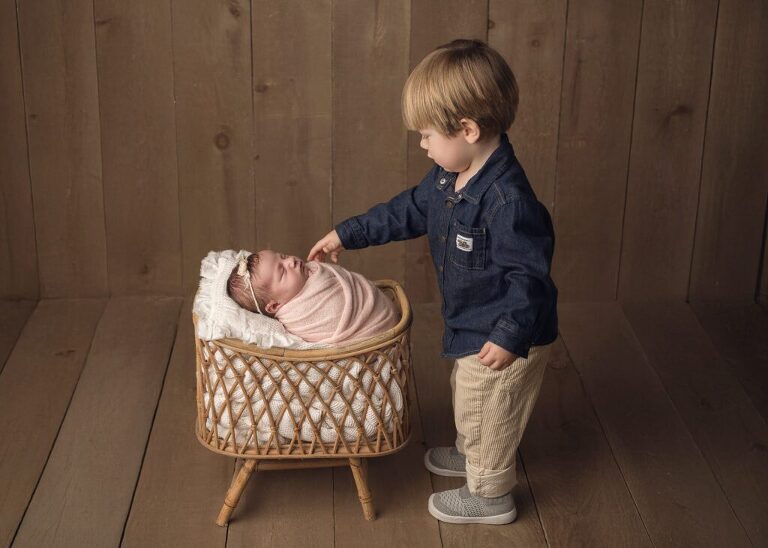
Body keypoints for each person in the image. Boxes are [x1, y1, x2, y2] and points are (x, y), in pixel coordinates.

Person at [308, 39, 558, 525]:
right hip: (472, 322)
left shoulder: (508, 202)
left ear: (467, 130)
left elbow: (530, 277)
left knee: (492, 409)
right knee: (470, 398)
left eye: (427, 135)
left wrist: (509, 336)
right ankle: (471, 454)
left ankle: (489, 494)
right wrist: (348, 232)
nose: (423, 145)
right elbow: (406, 210)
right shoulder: (448, 176)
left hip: (507, 331)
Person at [227, 249, 398, 345]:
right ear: (274, 306)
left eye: (284, 256)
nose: (290, 262)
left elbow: (348, 282)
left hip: (379, 313)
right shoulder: (299, 315)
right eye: (283, 272)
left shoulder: (312, 272)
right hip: (373, 335)